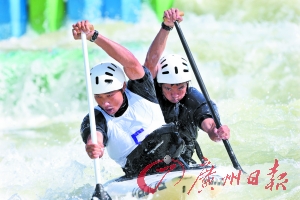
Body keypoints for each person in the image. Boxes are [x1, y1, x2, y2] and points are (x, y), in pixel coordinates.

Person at [72, 20, 185, 178]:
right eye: (98, 96)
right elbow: (95, 136)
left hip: (172, 161)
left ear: (123, 87)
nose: (105, 103)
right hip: (138, 176)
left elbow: (130, 62)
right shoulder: (95, 118)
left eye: (110, 95)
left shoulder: (140, 90)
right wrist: (94, 145)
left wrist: (94, 36)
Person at [144, 8, 231, 165]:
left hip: (183, 161)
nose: (175, 94)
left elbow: (209, 125)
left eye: (180, 88)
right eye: (168, 88)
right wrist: (166, 27)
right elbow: (151, 61)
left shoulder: (192, 98)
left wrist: (217, 132)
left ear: (187, 84)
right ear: (160, 84)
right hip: (151, 160)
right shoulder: (151, 93)